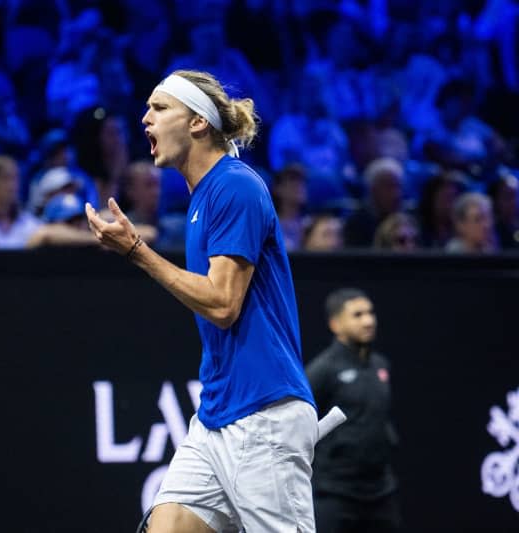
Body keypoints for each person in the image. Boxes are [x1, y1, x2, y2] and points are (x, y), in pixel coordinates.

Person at [85, 69, 317, 532]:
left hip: (263, 414)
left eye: (160, 107)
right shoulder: (201, 199)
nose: (145, 118)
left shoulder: (235, 185)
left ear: (198, 123)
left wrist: (137, 252)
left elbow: (223, 304)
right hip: (215, 416)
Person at [305, 288, 400, 533]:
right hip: (334, 494)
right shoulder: (322, 370)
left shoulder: (381, 365)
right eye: (357, 315)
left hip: (381, 492)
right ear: (335, 324)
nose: (368, 321)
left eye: (370, 313)